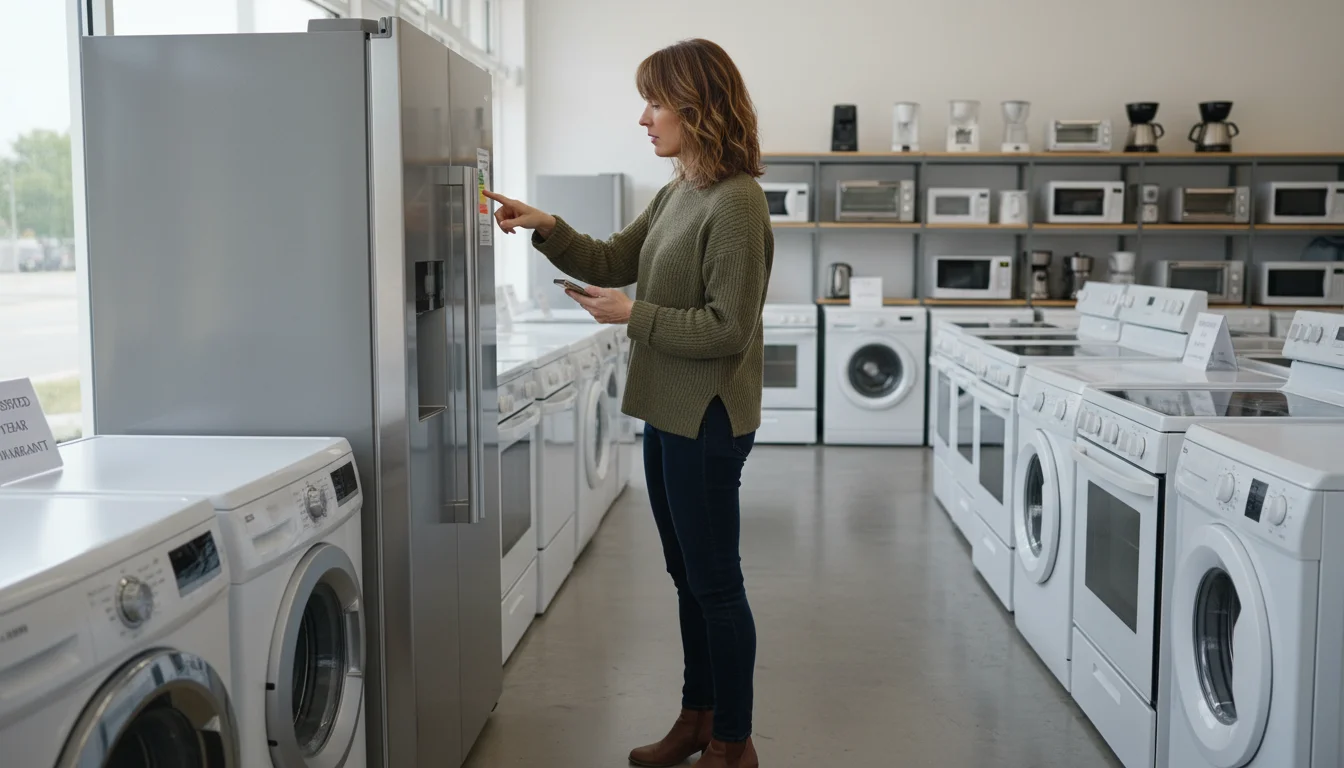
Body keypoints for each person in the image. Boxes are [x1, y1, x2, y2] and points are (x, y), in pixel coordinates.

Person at [484, 37, 772, 768]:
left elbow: (727, 327)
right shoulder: (679, 191)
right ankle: (698, 717)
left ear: (694, 107)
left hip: (707, 418)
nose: (643, 118)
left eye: (653, 102)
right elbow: (614, 258)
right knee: (688, 579)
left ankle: (734, 745)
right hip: (666, 413)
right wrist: (543, 225)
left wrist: (630, 316)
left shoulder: (736, 202)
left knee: (716, 585)